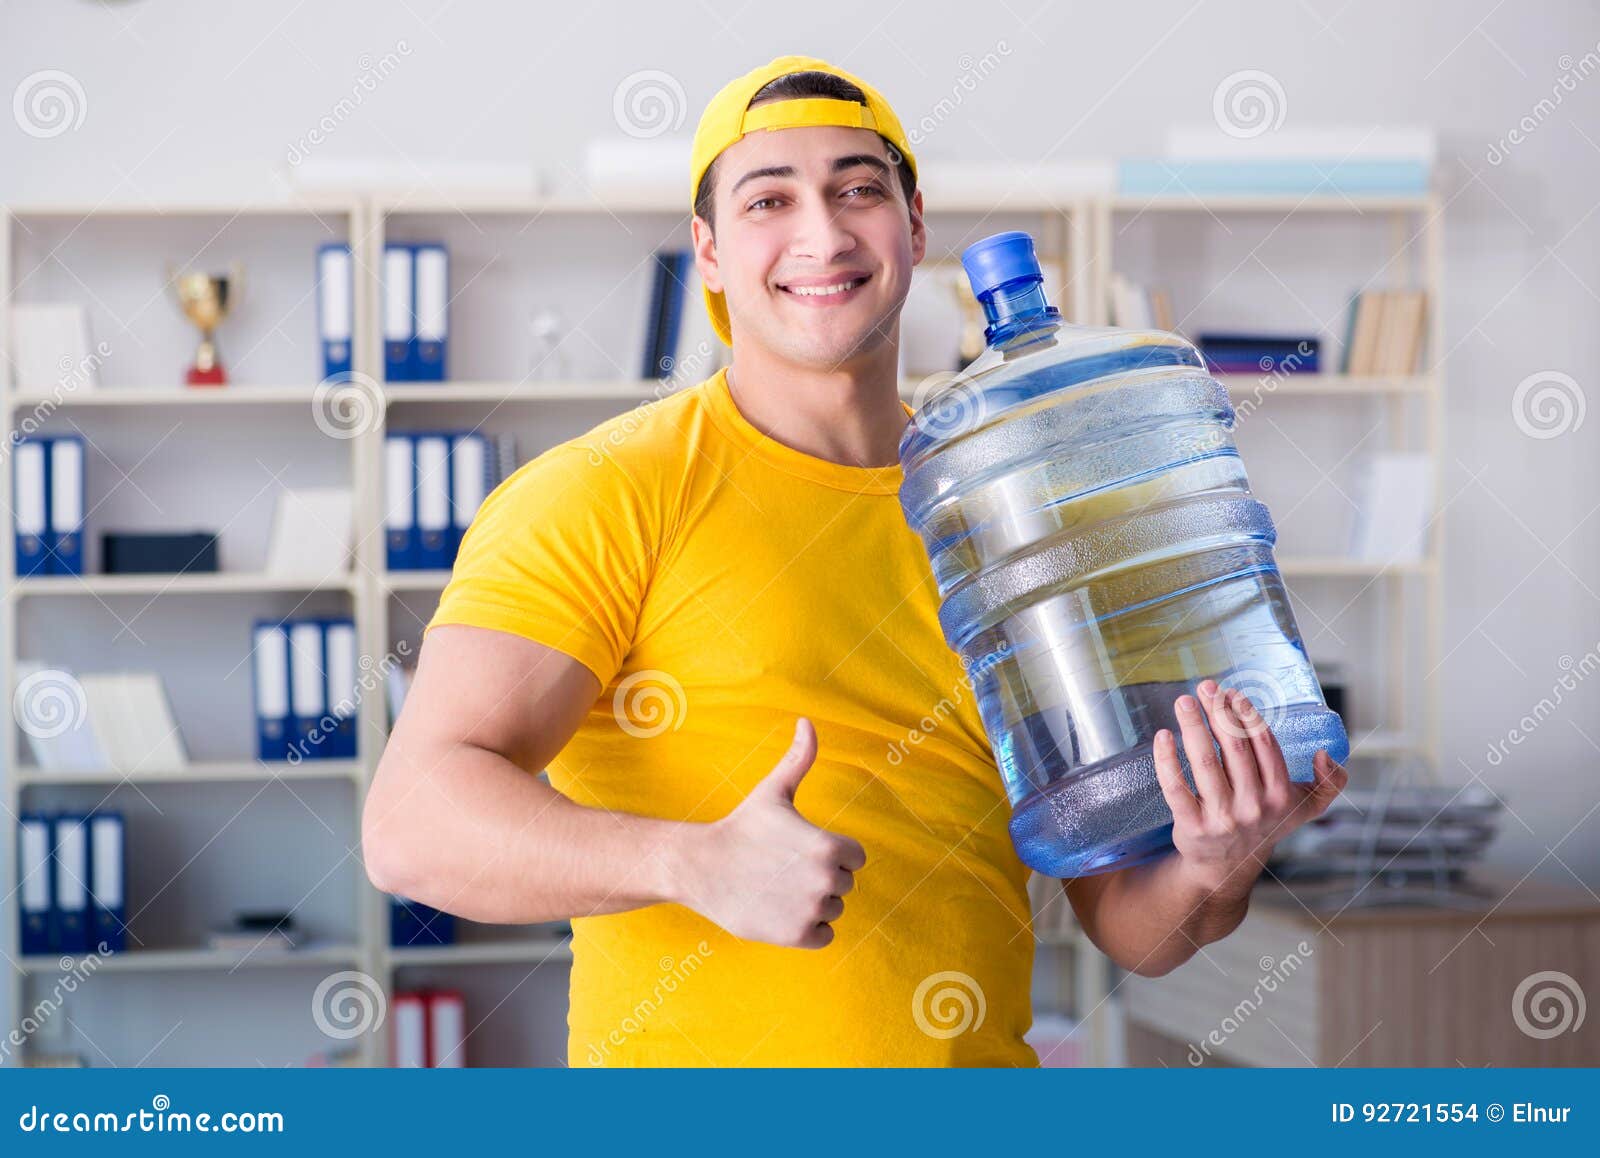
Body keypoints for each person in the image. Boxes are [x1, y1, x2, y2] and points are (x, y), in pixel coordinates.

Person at [361, 54, 1349, 1067]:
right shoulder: (606, 492)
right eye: (768, 200)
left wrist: (1215, 864)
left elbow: (1128, 925)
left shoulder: (1013, 510)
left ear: (914, 229)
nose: (822, 233)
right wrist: (691, 863)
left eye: (858, 189)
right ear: (706, 251)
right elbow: (412, 824)